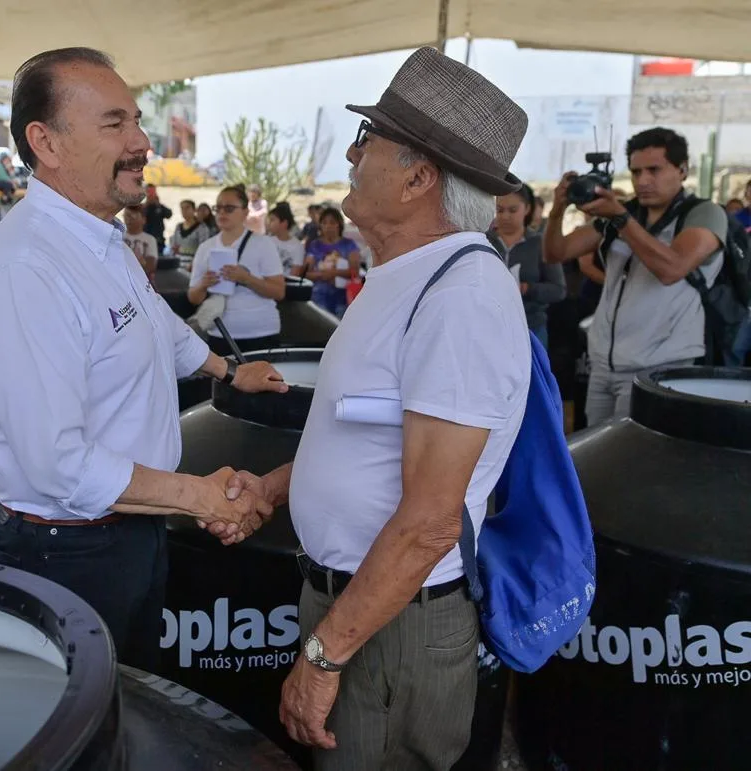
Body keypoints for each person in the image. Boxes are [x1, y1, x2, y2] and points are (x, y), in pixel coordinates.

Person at [218, 47, 531, 770]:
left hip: (388, 629)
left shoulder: (461, 297)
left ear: (420, 177)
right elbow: (361, 434)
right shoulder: (403, 276)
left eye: (370, 142)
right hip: (359, 610)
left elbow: (428, 522)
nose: (353, 155)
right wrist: (273, 487)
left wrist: (325, 657)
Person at [0, 48, 287, 671]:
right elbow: (58, 466)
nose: (141, 143)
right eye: (115, 125)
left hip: (132, 532)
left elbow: (154, 324)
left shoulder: (101, 242)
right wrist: (202, 498)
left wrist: (224, 371)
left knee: (131, 719)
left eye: (136, 121)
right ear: (45, 143)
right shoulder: (25, 272)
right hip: (67, 558)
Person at [543, 127, 728, 424]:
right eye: (636, 171)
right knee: (598, 456)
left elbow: (672, 269)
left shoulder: (704, 213)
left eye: (654, 170)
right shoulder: (627, 213)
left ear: (682, 170)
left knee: (639, 462)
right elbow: (557, 252)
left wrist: (620, 218)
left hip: (661, 364)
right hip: (604, 362)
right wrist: (557, 211)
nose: (643, 181)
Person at [187, 185, 286, 355]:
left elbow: (278, 292)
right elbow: (193, 298)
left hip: (261, 332)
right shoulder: (205, 247)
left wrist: (247, 278)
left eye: (229, 208)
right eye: (218, 208)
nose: (222, 213)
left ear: (245, 212)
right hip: (219, 332)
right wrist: (204, 284)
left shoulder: (263, 244)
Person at [488, 183, 565, 347]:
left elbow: (559, 290)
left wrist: (528, 289)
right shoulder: (483, 241)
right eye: (500, 210)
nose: (506, 216)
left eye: (513, 210)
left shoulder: (540, 244)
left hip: (531, 328)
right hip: (489, 328)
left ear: (527, 209)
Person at [303, 207, 361, 317]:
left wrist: (334, 273)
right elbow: (305, 273)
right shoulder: (314, 246)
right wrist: (322, 275)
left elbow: (355, 271)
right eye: (324, 223)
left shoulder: (349, 245)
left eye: (332, 222)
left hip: (343, 299)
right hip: (318, 298)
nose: (328, 226)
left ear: (339, 224)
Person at [123, 204, 158, 280]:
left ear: (143, 220)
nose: (128, 220)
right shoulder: (118, 236)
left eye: (133, 217)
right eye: (126, 216)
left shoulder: (150, 239)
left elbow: (151, 266)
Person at [268, 203, 305, 274]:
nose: (269, 223)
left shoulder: (297, 247)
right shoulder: (267, 241)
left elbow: (294, 274)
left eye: (272, 220)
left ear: (284, 223)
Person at [169, 199, 210, 263]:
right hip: (178, 262)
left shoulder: (202, 228)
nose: (184, 211)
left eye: (187, 208)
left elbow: (203, 249)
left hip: (193, 263)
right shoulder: (178, 227)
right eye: (182, 208)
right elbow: (174, 246)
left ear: (194, 210)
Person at [143, 183, 172, 254]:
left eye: (153, 192)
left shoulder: (160, 207)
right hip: (144, 240)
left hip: (158, 241)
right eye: (149, 192)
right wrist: (146, 205)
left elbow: (169, 215)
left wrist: (158, 205)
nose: (151, 195)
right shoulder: (142, 208)